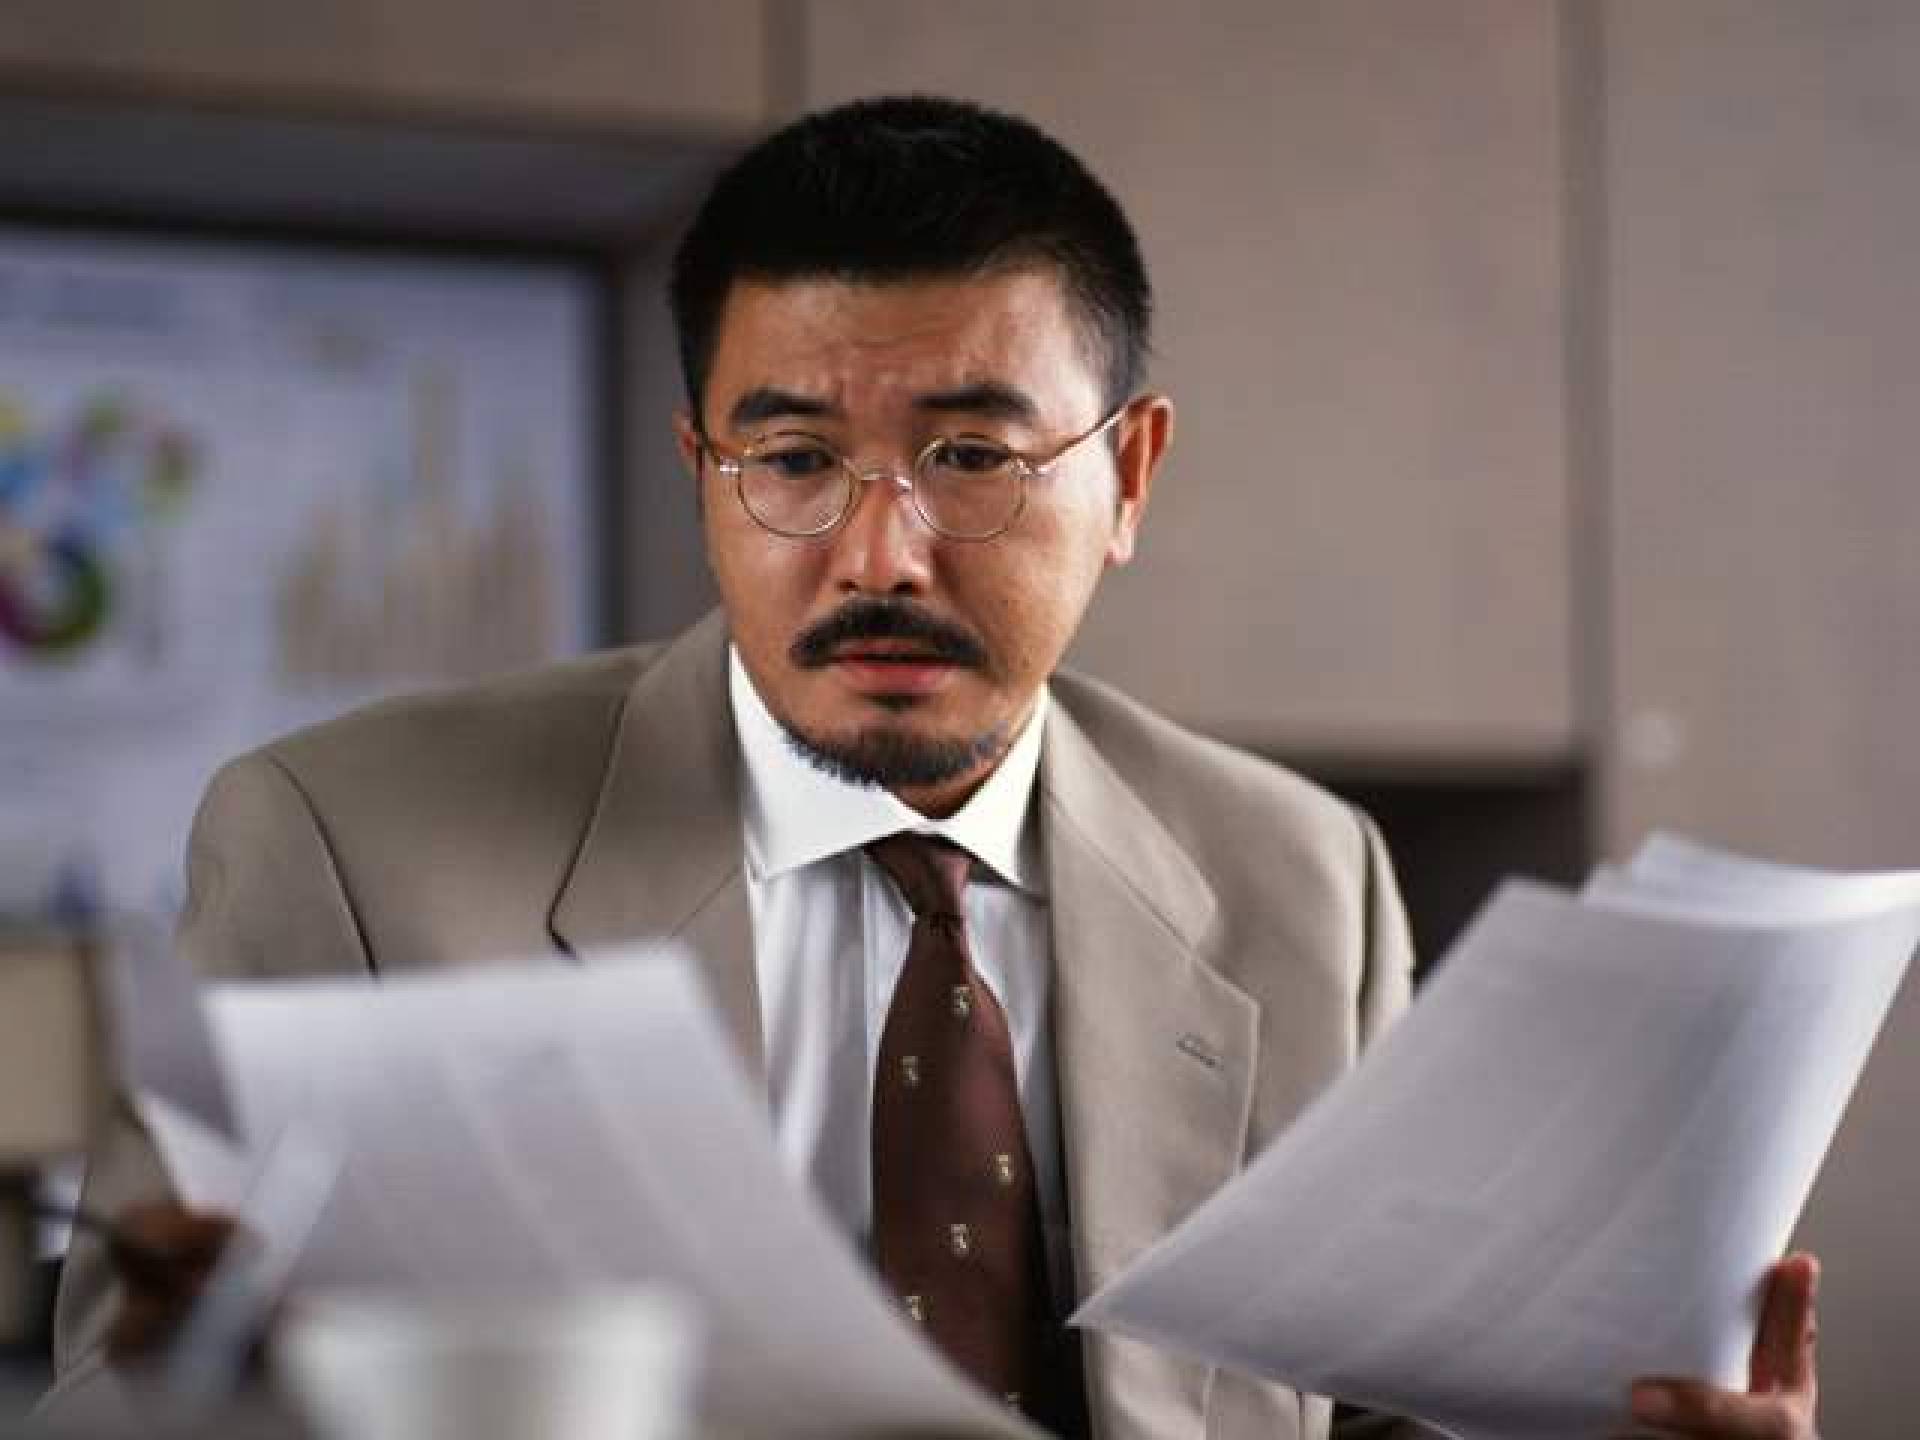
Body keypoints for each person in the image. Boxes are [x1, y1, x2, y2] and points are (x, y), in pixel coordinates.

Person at [47, 96, 1819, 1440]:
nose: (878, 552)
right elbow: (106, 1408)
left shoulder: (1300, 878)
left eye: (973, 456)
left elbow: (1360, 1415)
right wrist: (228, 1386)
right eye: (792, 460)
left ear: (1130, 476)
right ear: (701, 470)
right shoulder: (352, 850)